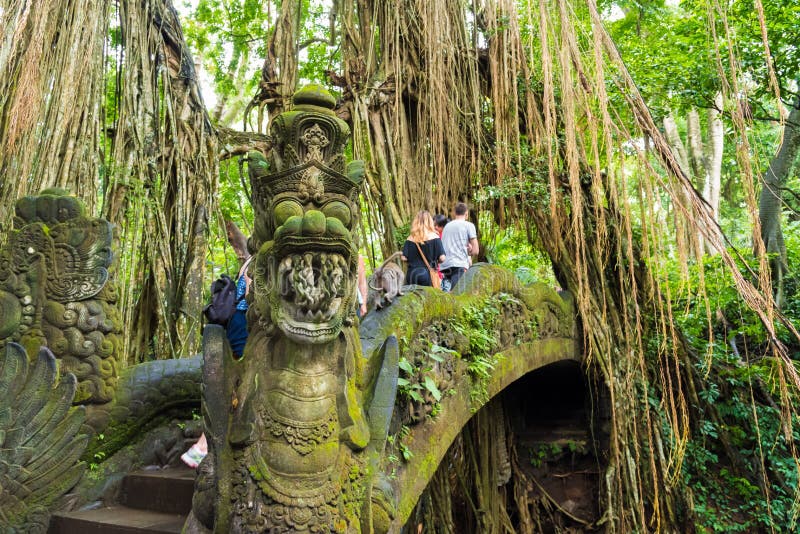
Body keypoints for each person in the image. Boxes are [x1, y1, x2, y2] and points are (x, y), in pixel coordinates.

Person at [182, 252, 252, 468]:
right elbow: (251, 297)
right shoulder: (256, 263)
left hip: (235, 326)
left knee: (234, 382)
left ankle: (203, 445)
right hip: (244, 327)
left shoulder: (248, 262)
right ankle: (202, 446)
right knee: (239, 382)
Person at [439, 202, 478, 291]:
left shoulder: (447, 226)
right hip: (459, 264)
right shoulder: (468, 225)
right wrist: (469, 252)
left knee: (447, 292)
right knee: (457, 294)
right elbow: (476, 250)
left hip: (445, 265)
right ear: (466, 214)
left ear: (454, 213)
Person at [401, 211, 445, 286]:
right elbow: (442, 258)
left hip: (412, 274)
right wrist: (437, 261)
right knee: (428, 297)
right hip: (427, 274)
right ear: (430, 222)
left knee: (413, 296)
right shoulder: (435, 237)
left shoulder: (410, 238)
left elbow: (403, 258)